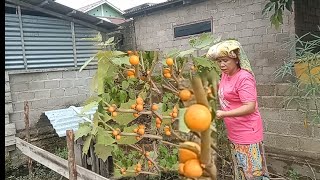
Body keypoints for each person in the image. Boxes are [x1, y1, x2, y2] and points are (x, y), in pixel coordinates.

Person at [206, 40, 270, 180]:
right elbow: (226, 92)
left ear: (236, 60)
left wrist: (224, 114)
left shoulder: (244, 78)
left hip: (247, 133)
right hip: (234, 132)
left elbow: (250, 106)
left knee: (253, 174)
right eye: (219, 61)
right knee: (242, 172)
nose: (221, 64)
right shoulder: (226, 75)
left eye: (225, 60)